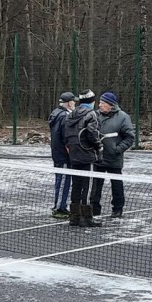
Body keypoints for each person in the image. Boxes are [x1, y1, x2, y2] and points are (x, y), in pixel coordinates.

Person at [89, 91, 135, 219]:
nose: (100, 105)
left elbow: (129, 138)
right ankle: (94, 208)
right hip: (98, 157)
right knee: (96, 186)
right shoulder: (95, 115)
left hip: (114, 158)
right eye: (100, 103)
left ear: (111, 105)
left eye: (103, 103)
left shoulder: (123, 117)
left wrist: (117, 149)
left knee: (117, 185)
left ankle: (117, 209)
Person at [62, 89, 101, 227]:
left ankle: (74, 216)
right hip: (87, 155)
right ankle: (86, 217)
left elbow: (65, 135)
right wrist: (98, 146)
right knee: (88, 187)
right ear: (92, 102)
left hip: (74, 155)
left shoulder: (71, 114)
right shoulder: (91, 114)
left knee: (76, 186)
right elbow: (92, 133)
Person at [47, 91, 76, 218]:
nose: (75, 103)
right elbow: (66, 137)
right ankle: (59, 208)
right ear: (69, 103)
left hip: (58, 153)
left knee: (61, 180)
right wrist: (71, 152)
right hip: (63, 155)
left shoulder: (56, 113)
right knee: (63, 181)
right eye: (73, 101)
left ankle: (60, 206)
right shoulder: (64, 116)